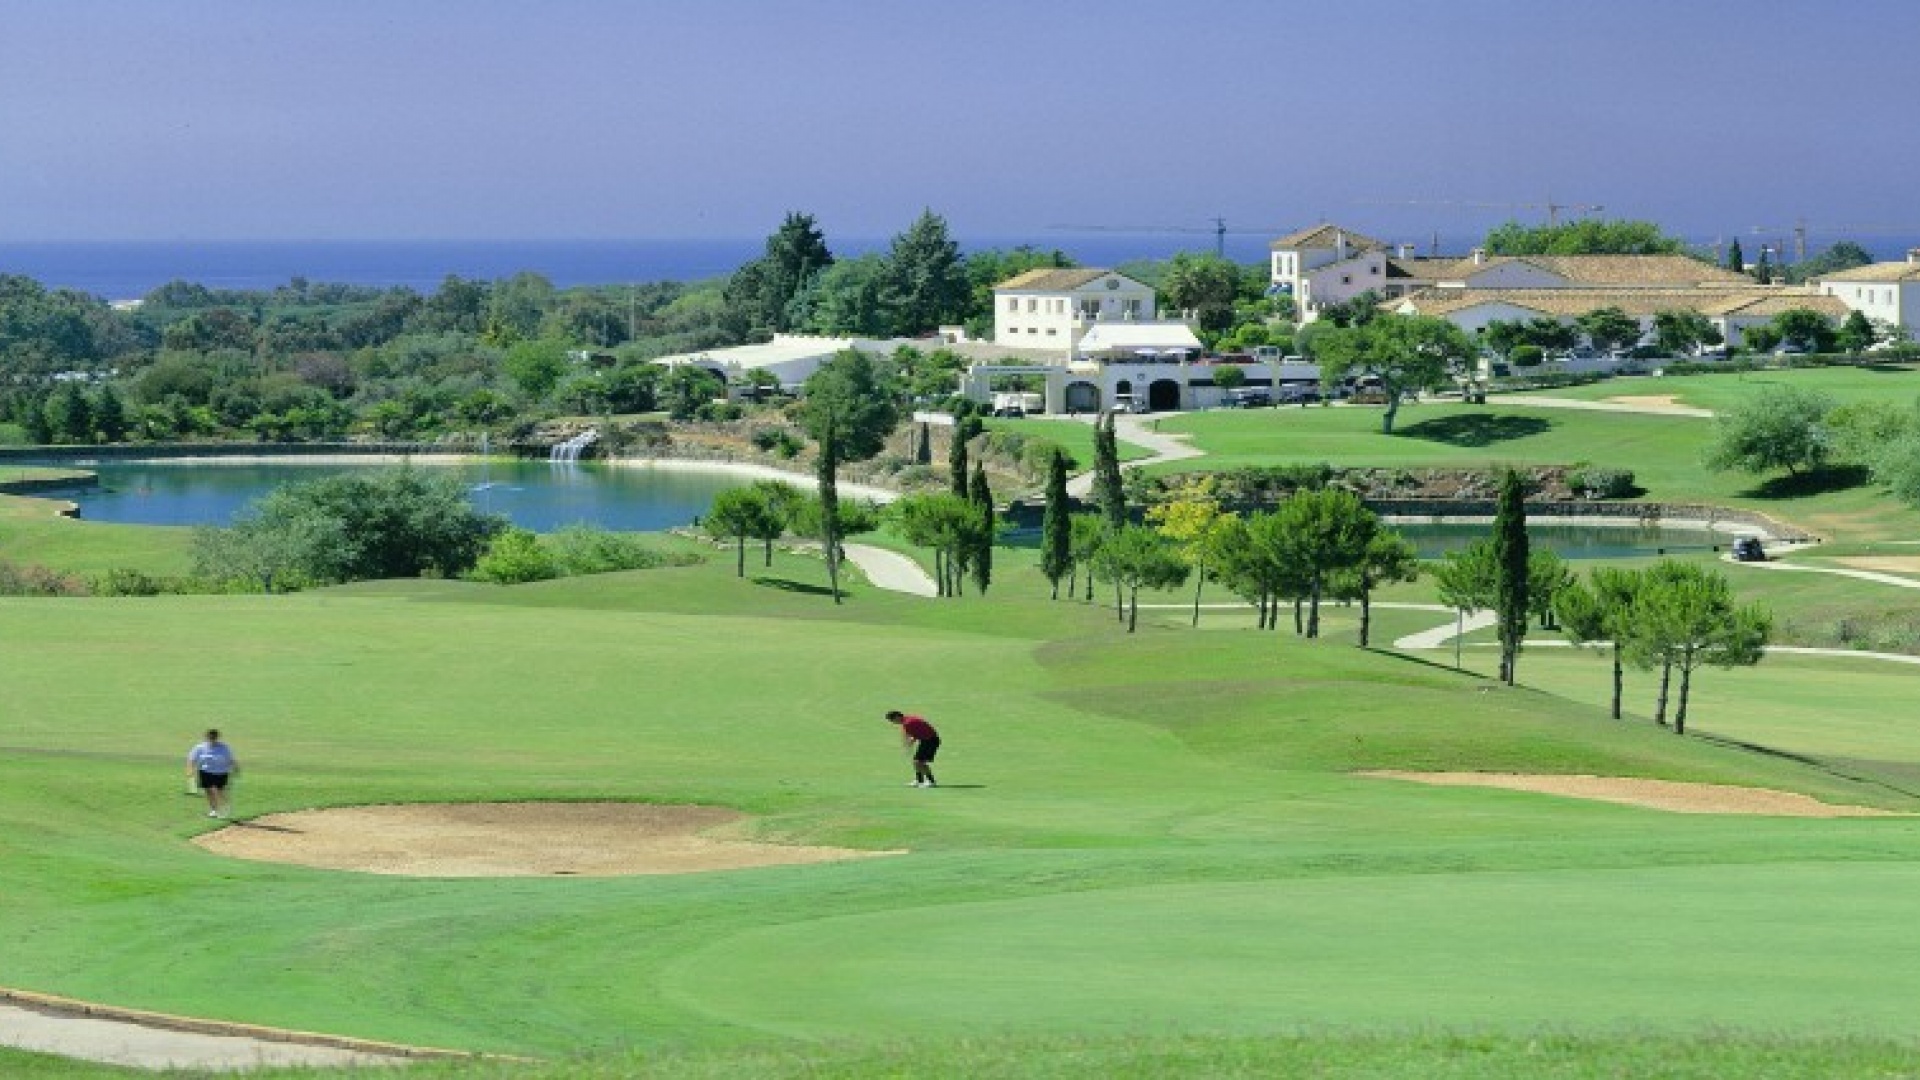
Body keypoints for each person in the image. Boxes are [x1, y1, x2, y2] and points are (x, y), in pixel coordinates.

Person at [186, 729, 239, 818]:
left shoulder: (224, 747)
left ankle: (225, 805)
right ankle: (213, 810)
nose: (212, 738)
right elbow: (191, 759)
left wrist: (236, 768)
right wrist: (190, 770)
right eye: (210, 737)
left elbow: (231, 759)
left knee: (220, 791)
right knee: (208, 791)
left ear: (217, 737)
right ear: (207, 737)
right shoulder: (200, 747)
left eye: (214, 737)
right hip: (205, 772)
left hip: (221, 772)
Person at [885, 710, 940, 788]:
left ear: (897, 717)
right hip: (926, 740)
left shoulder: (908, 723)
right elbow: (917, 732)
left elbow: (916, 734)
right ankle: (919, 781)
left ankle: (931, 782)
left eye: (892, 720)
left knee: (919, 762)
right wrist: (911, 740)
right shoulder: (907, 721)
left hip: (930, 741)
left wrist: (910, 742)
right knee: (916, 762)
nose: (893, 722)